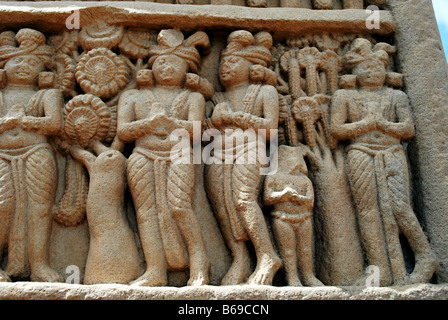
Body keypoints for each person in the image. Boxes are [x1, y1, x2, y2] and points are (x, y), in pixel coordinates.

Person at [330, 38, 439, 286]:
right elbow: (337, 129)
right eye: (366, 69)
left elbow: (408, 128)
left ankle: (425, 256)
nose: (373, 72)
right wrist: (366, 124)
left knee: (400, 207)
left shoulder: (396, 96)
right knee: (368, 212)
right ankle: (379, 270)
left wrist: (384, 124)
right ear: (354, 72)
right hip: (360, 152)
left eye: (378, 68)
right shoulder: (344, 95)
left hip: (391, 152)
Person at [117, 29, 210, 286]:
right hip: (142, 155)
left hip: (179, 154)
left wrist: (169, 123)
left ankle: (200, 265)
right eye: (162, 63)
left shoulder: (194, 97)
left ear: (188, 70)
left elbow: (197, 131)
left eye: (175, 63)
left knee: (180, 206)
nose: (167, 68)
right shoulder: (133, 96)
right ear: (151, 68)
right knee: (146, 212)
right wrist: (147, 125)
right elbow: (123, 131)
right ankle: (155, 270)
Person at [204, 30, 282, 285]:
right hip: (218, 152)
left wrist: (237, 118)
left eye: (233, 62)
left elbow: (270, 128)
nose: (225, 68)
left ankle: (267, 255)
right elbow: (202, 133)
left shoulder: (263, 92)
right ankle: (240, 259)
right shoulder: (219, 97)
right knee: (223, 207)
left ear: (251, 66)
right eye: (223, 63)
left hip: (250, 148)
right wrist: (212, 121)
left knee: (243, 199)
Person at [0, 29, 63, 282]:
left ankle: (39, 265)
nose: (25, 66)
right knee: (2, 206)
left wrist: (23, 121)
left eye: (32, 62)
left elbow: (54, 124)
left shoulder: (48, 94)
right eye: (18, 61)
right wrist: (7, 123)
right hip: (3, 154)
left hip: (37, 152)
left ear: (43, 70)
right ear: (5, 66)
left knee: (40, 209)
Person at [264, 144, 324, 286]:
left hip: (303, 218)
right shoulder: (274, 176)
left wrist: (298, 198)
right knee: (288, 251)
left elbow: (310, 201)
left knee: (305, 250)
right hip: (282, 218)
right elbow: (267, 198)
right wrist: (283, 195)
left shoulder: (304, 180)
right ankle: (292, 278)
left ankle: (308, 276)